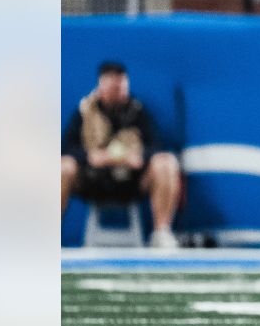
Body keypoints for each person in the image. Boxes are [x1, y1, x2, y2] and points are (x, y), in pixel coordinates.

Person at [61, 61, 182, 249]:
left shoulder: (138, 111)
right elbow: (66, 148)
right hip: (93, 181)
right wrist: (90, 156)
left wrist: (138, 156)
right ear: (101, 87)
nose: (119, 93)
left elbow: (156, 146)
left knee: (166, 162)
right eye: (113, 88)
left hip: (131, 182)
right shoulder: (84, 112)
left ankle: (162, 232)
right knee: (62, 166)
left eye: (122, 87)